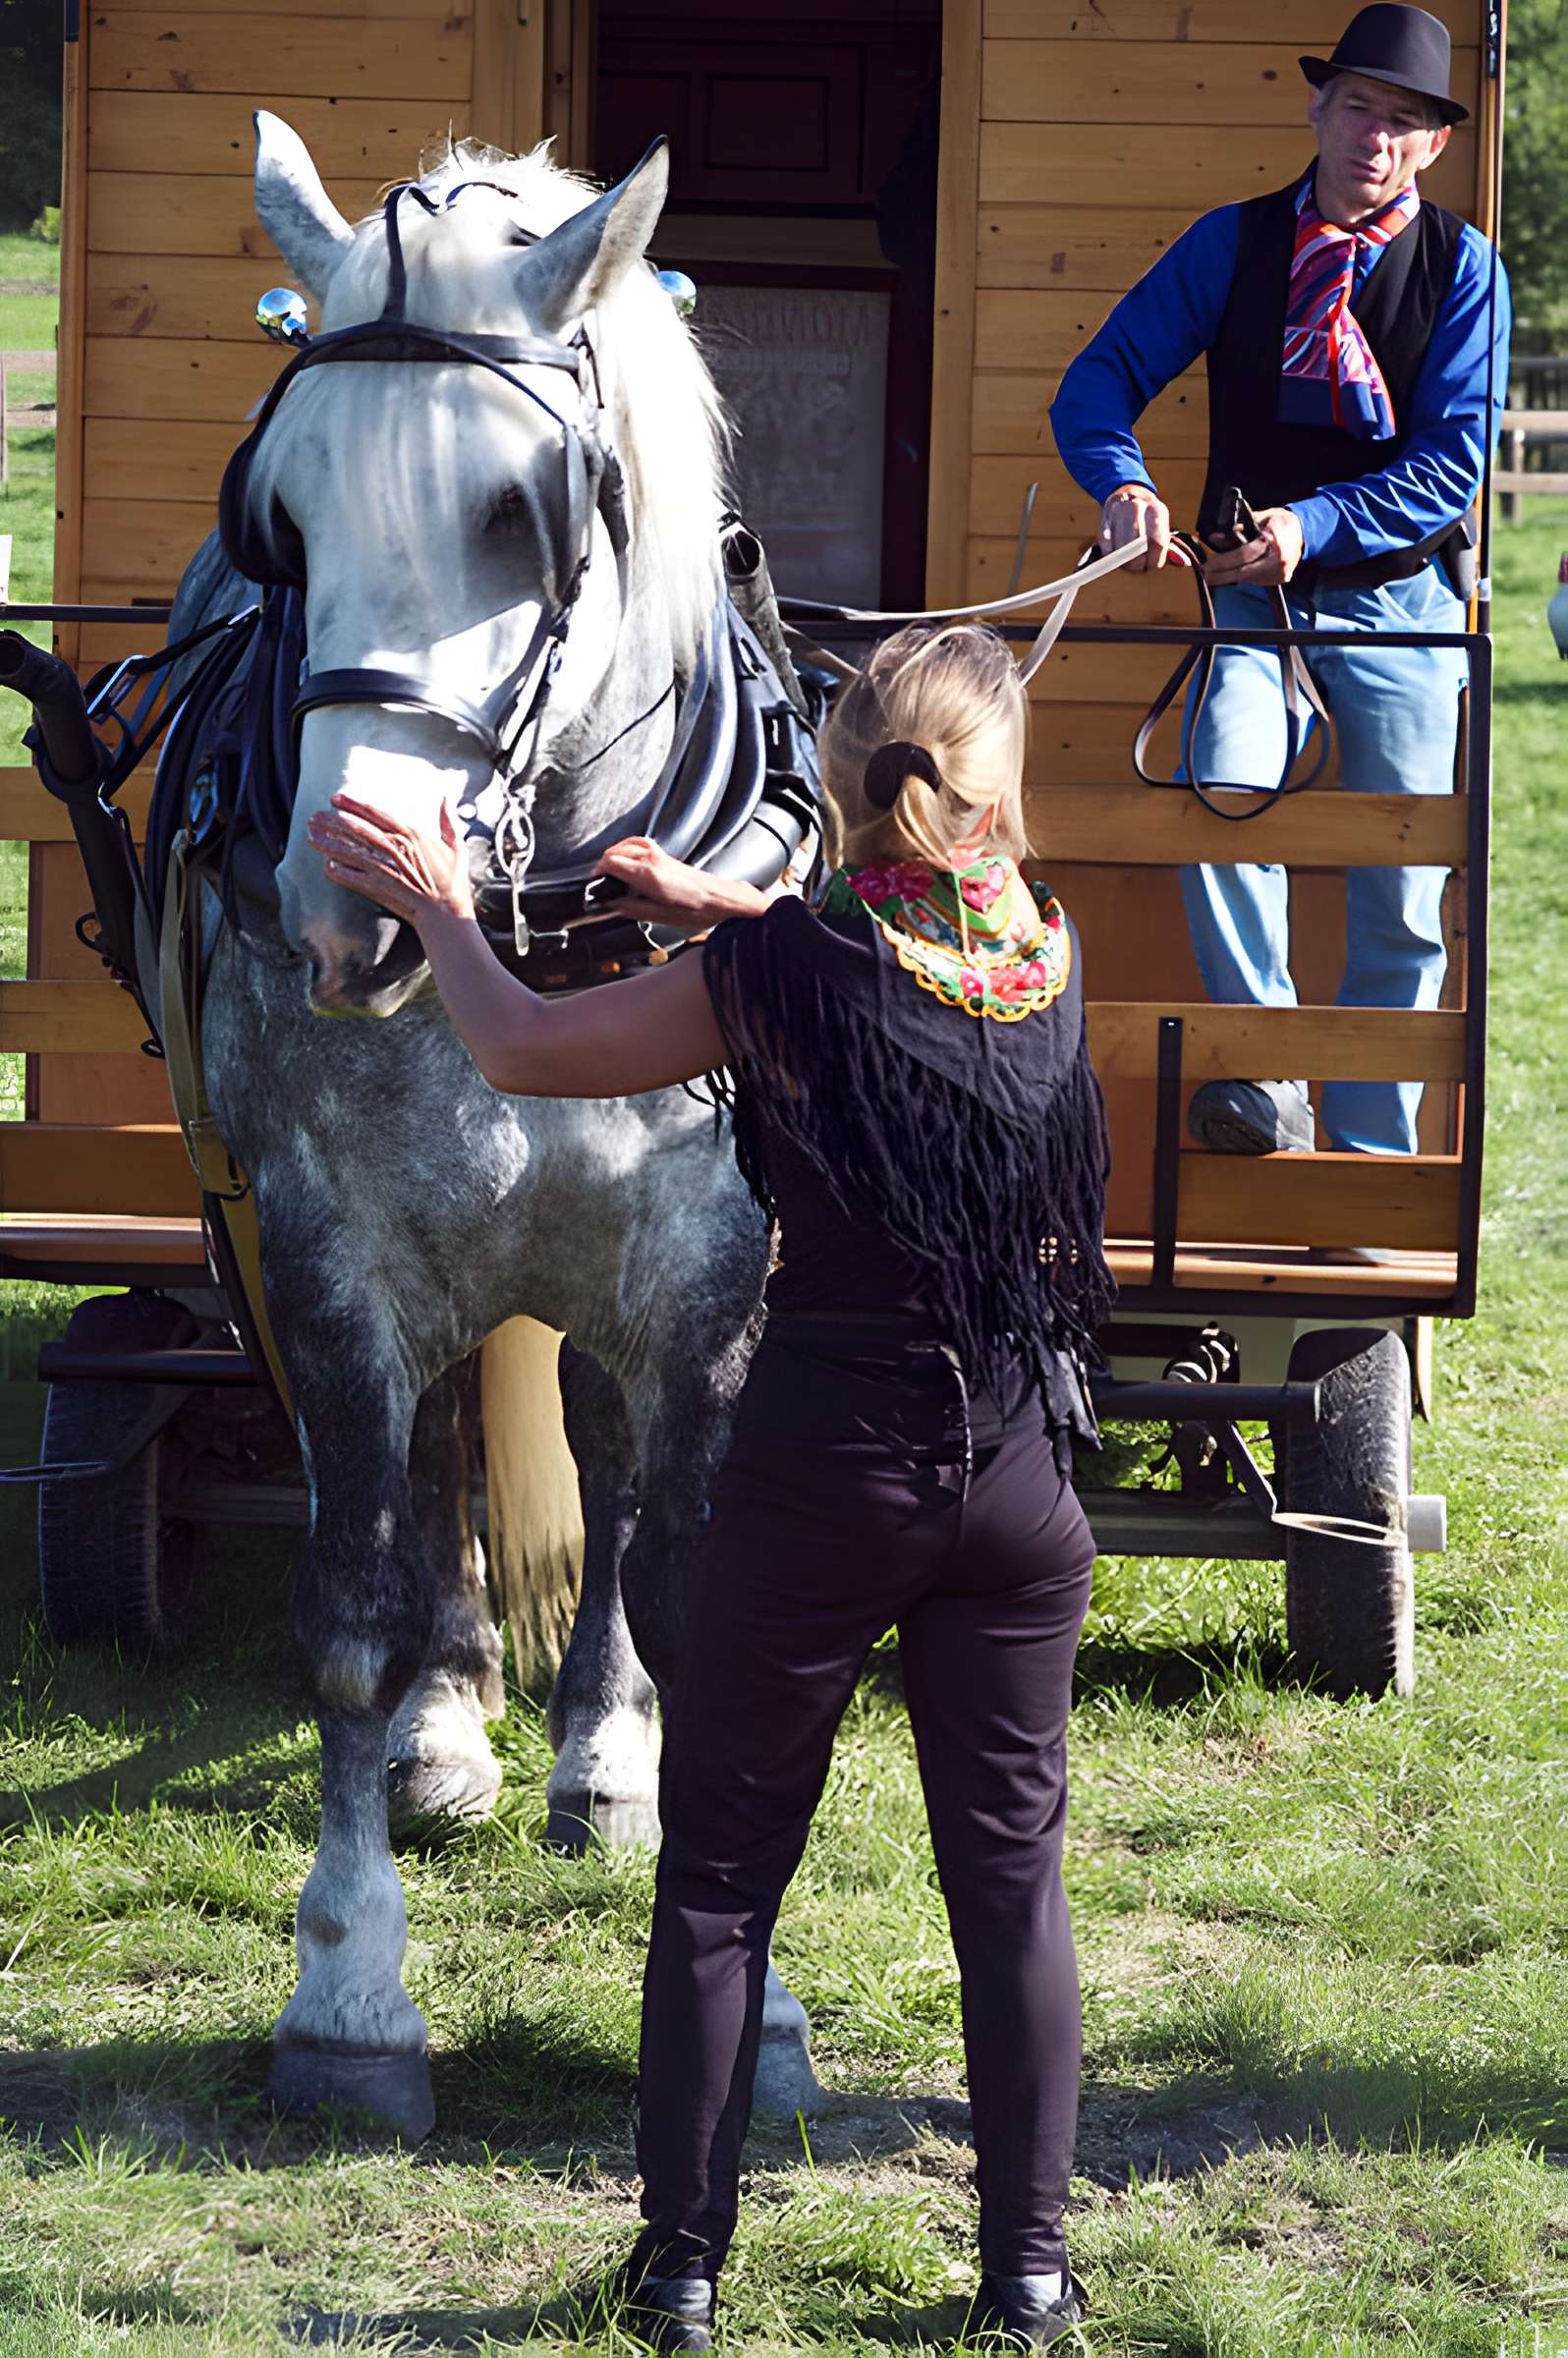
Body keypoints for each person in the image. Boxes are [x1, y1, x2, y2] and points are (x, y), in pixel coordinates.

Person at [308, 622, 1113, 2353]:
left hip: (827, 1474)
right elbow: (886, 966)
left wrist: (442, 905)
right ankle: (1030, 2281)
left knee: (725, 1881)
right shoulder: (1046, 949)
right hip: (1024, 1486)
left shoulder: (791, 977)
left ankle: (678, 2276)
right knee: (1011, 1889)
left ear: (836, 792)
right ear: (999, 796)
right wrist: (722, 915)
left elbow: (522, 1044)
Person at [1049, 2, 1509, 1158]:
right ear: (1319, 106)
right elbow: (1099, 378)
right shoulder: (1233, 242)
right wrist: (1124, 487)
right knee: (1217, 784)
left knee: (1400, 891)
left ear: (1435, 143)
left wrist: (1314, 523)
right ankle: (1267, 1078)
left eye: (1404, 122)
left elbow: (1451, 469)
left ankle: (1367, 1163)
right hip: (1250, 600)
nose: (1376, 138)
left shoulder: (1465, 269)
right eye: (1360, 107)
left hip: (1406, 610)